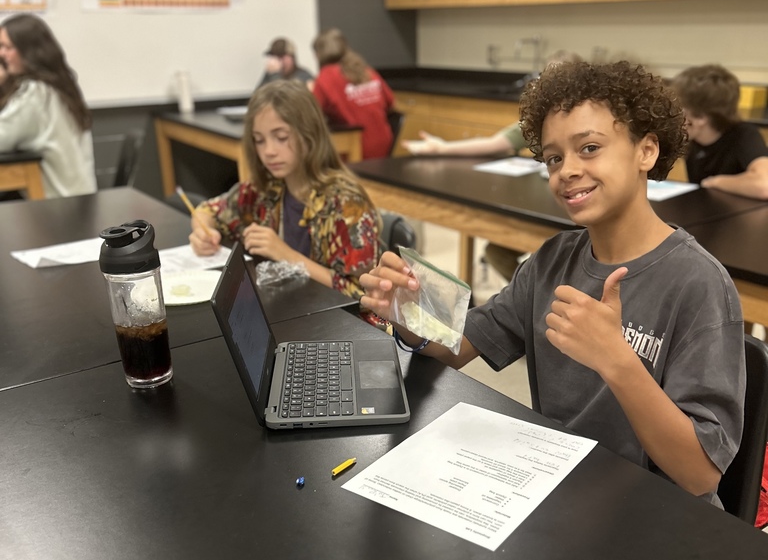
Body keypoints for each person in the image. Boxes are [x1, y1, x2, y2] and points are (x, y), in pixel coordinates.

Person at [360, 60, 746, 505]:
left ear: (647, 151)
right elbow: (456, 347)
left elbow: (700, 475)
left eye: (590, 148)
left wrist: (617, 361)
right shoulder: (551, 261)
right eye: (553, 158)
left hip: (657, 516)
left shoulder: (697, 284)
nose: (567, 171)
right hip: (564, 494)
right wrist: (412, 310)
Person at [189, 79, 379, 301]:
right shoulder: (265, 189)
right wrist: (203, 232)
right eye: (259, 141)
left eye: (281, 138)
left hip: (333, 322)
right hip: (287, 308)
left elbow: (364, 296)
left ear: (309, 135)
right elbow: (207, 210)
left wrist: (286, 255)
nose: (269, 151)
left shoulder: (346, 205)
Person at [402, 51, 582, 279]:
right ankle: (532, 297)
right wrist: (442, 148)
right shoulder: (539, 120)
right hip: (546, 205)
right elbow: (494, 143)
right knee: (496, 251)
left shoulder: (588, 120)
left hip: (577, 213)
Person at [0, 13, 97, 198]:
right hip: (81, 195)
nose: (1, 54)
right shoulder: (61, 86)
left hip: (57, 206)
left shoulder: (35, 94)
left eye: (7, 47)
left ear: (28, 51)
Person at [672, 64, 768, 198]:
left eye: (679, 109)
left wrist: (716, 182)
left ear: (700, 117)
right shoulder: (692, 140)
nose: (673, 115)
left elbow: (764, 185)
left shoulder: (744, 136)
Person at [312, 28, 396, 159]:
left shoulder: (325, 78)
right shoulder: (366, 70)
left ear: (318, 54)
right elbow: (391, 102)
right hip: (385, 145)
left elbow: (311, 115)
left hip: (354, 149)